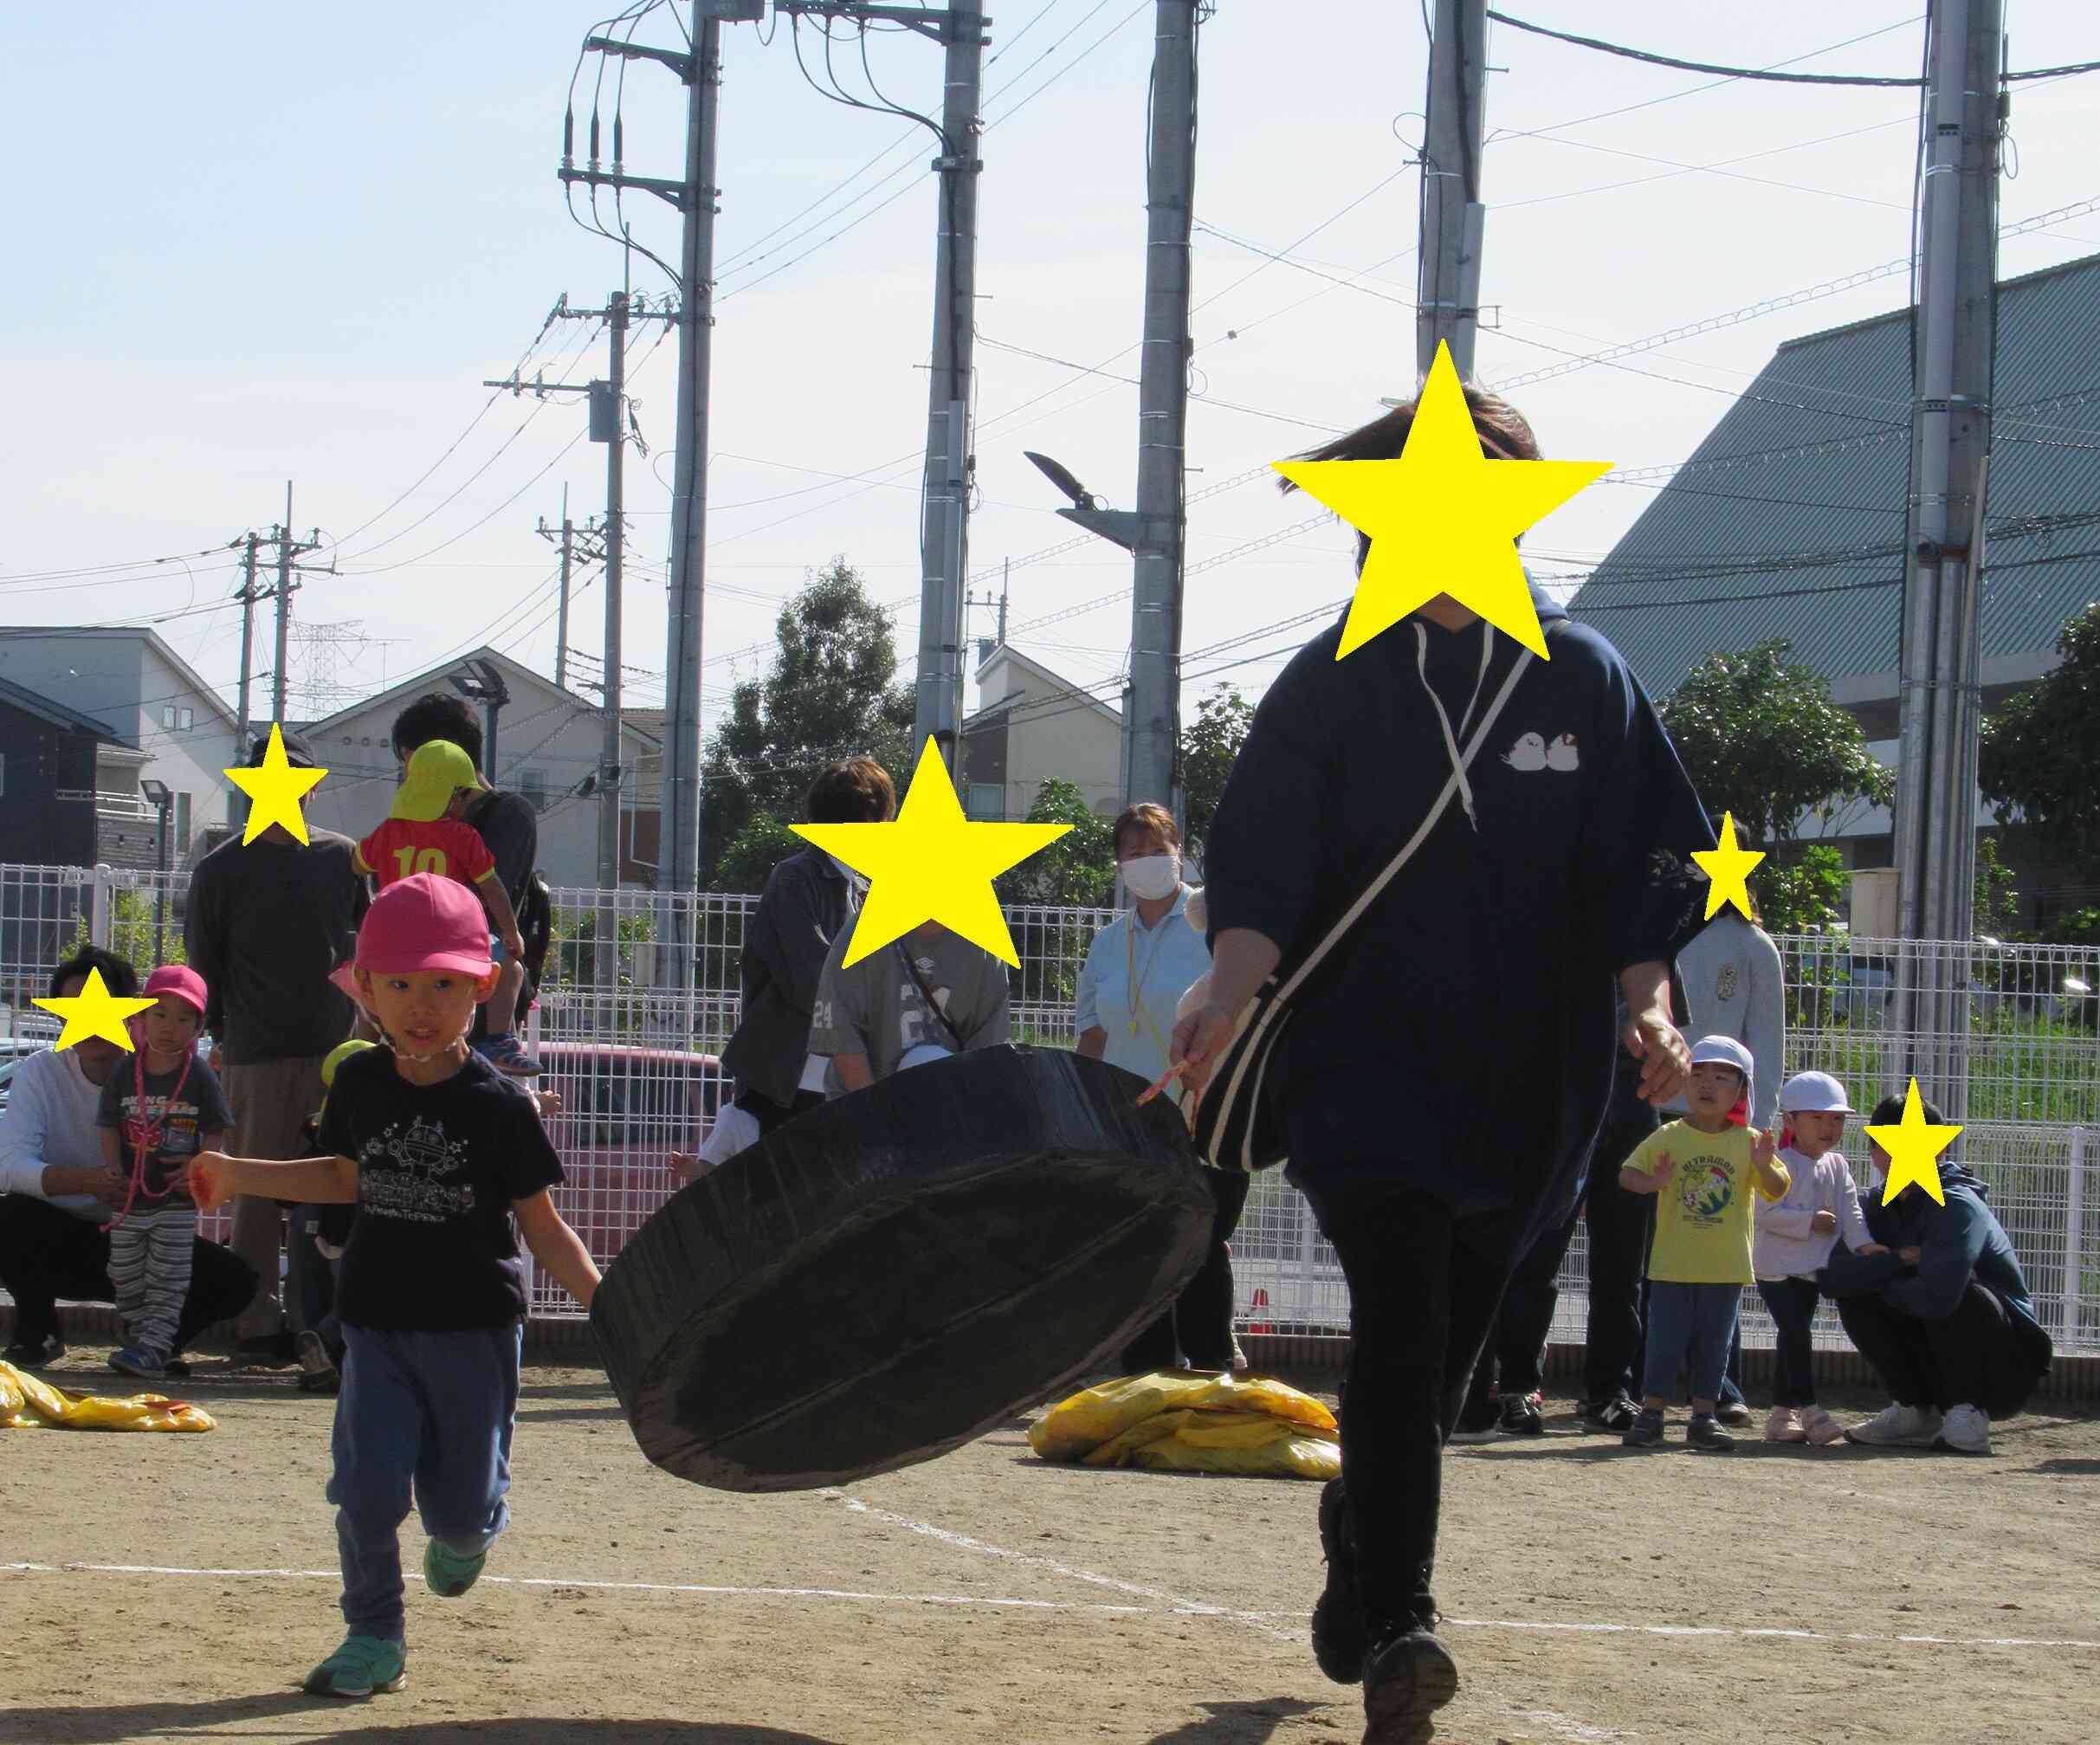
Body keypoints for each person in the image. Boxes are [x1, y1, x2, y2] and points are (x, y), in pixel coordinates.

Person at [1169, 384, 1714, 1742]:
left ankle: (1357, 1530)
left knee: (1448, 1372)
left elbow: (1640, 873)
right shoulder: (1332, 677)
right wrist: (1228, 986)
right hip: (1365, 1069)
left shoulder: (1584, 676)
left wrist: (1652, 1013)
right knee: (1403, 1340)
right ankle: (1404, 1622)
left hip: (1533, 1084)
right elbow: (1265, 858)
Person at [185, 872, 601, 1699]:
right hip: (372, 1327)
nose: (421, 1002)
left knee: (456, 1512)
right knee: (366, 1493)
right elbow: (344, 1177)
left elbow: (544, 1226)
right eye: (400, 983)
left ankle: (474, 1526)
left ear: (482, 986)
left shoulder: (500, 1105)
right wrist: (239, 1172)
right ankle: (372, 1632)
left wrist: (609, 1308)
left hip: (475, 1333)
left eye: (444, 983)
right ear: (366, 989)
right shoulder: (364, 1084)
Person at [185, 728, 365, 1359]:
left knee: (339, 1192)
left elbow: (367, 951)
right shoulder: (220, 868)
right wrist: (220, 1039)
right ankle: (257, 1324)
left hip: (340, 1054)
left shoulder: (344, 858)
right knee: (256, 1194)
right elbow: (203, 965)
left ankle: (332, 1324)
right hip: (253, 1055)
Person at [0, 948, 257, 1372]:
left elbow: (214, 1146)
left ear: (132, 1013)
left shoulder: (178, 1072)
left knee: (237, 1280)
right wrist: (91, 1182)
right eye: (74, 1010)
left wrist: (196, 1170)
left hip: (150, 1228)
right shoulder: (39, 1072)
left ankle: (157, 1343)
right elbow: (9, 1165)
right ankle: (37, 1331)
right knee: (9, 1216)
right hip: (60, 1237)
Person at [1076, 802, 1238, 1376]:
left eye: (1156, 849)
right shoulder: (1105, 943)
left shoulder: (1212, 922)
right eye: (1132, 852)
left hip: (1205, 1111)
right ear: (1119, 863)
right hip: (1131, 1119)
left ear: (1179, 851)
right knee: (1141, 1242)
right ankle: (1143, 1370)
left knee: (1200, 1239)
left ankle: (1212, 1363)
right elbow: (1090, 1033)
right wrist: (1092, 1112)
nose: (1145, 861)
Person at [1823, 1091, 2054, 1457]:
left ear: (1940, 1151)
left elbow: (1940, 1295)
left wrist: (1876, 1274)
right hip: (1930, 1348)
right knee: (1855, 1295)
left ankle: (1967, 1413)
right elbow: (1831, 1278)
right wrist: (1900, 1260)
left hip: (2004, 1369)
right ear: (1875, 1153)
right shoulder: (1872, 1206)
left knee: (1965, 1295)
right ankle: (1915, 1411)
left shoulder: (1959, 1204)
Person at [714, 759, 897, 1154]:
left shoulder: (864, 887)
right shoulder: (795, 878)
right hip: (785, 1082)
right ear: (866, 819)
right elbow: (811, 974)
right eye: (882, 821)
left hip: (839, 1080)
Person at [1617, 1036, 1790, 1452]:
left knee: (1714, 1346)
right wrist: (1652, 1183)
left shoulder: (1750, 1142)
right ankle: (1652, 1413)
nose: (1707, 1085)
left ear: (1741, 1089)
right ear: (1682, 1083)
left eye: (1721, 1077)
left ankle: (1704, 1417)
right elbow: (1626, 1175)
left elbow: (1778, 1188)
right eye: (1697, 1075)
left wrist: (1766, 1167)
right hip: (1672, 1266)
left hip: (1725, 1269)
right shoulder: (1669, 1136)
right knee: (1663, 1343)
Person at [1657, 911, 1784, 1424]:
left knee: (1709, 1248)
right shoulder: (1668, 932)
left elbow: (1764, 1043)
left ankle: (1715, 1387)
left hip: (1715, 1117)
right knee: (1680, 1250)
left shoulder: (1751, 944)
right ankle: (1667, 1387)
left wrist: (1759, 1122)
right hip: (1673, 1108)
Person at [351, 740, 534, 1076]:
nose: (466, 803)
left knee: (370, 989)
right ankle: (498, 1043)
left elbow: (358, 865)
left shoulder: (389, 832)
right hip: (447, 940)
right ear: (453, 797)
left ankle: (360, 1051)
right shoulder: (462, 836)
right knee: (511, 969)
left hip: (393, 940)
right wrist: (511, 933)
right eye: (465, 794)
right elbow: (492, 887)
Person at [94, 965, 234, 1379]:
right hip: (129, 1198)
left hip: (175, 1201)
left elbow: (216, 1128)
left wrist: (198, 1168)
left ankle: (153, 1345)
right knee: (123, 1273)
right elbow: (106, 1123)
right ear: (139, 1017)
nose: (170, 1028)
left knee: (168, 1276)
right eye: (160, 1014)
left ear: (198, 1025)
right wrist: (113, 1167)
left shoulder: (200, 1075)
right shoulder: (125, 1069)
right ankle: (146, 1339)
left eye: (183, 1018)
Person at [389, 694, 540, 1061]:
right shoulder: (416, 822)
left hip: (477, 1004)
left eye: (409, 760)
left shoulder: (508, 814)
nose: (406, 776)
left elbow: (479, 900)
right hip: (415, 1004)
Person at [1754, 1070, 1885, 1444]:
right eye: (1817, 1118)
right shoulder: (1778, 1163)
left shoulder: (1837, 1165)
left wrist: (1864, 1245)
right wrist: (1809, 1222)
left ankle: (1781, 1416)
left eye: (1837, 1119)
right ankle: (1811, 1411)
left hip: (1813, 1269)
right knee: (1796, 1333)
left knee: (1791, 1336)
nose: (1829, 1127)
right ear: (1790, 1121)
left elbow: (1851, 1211)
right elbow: (1762, 1214)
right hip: (1776, 1269)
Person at [810, 915, 1011, 1092]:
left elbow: (988, 1057)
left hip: (949, 1106)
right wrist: (878, 1119)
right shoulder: (857, 935)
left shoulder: (984, 947)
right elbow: (844, 1043)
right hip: (862, 1108)